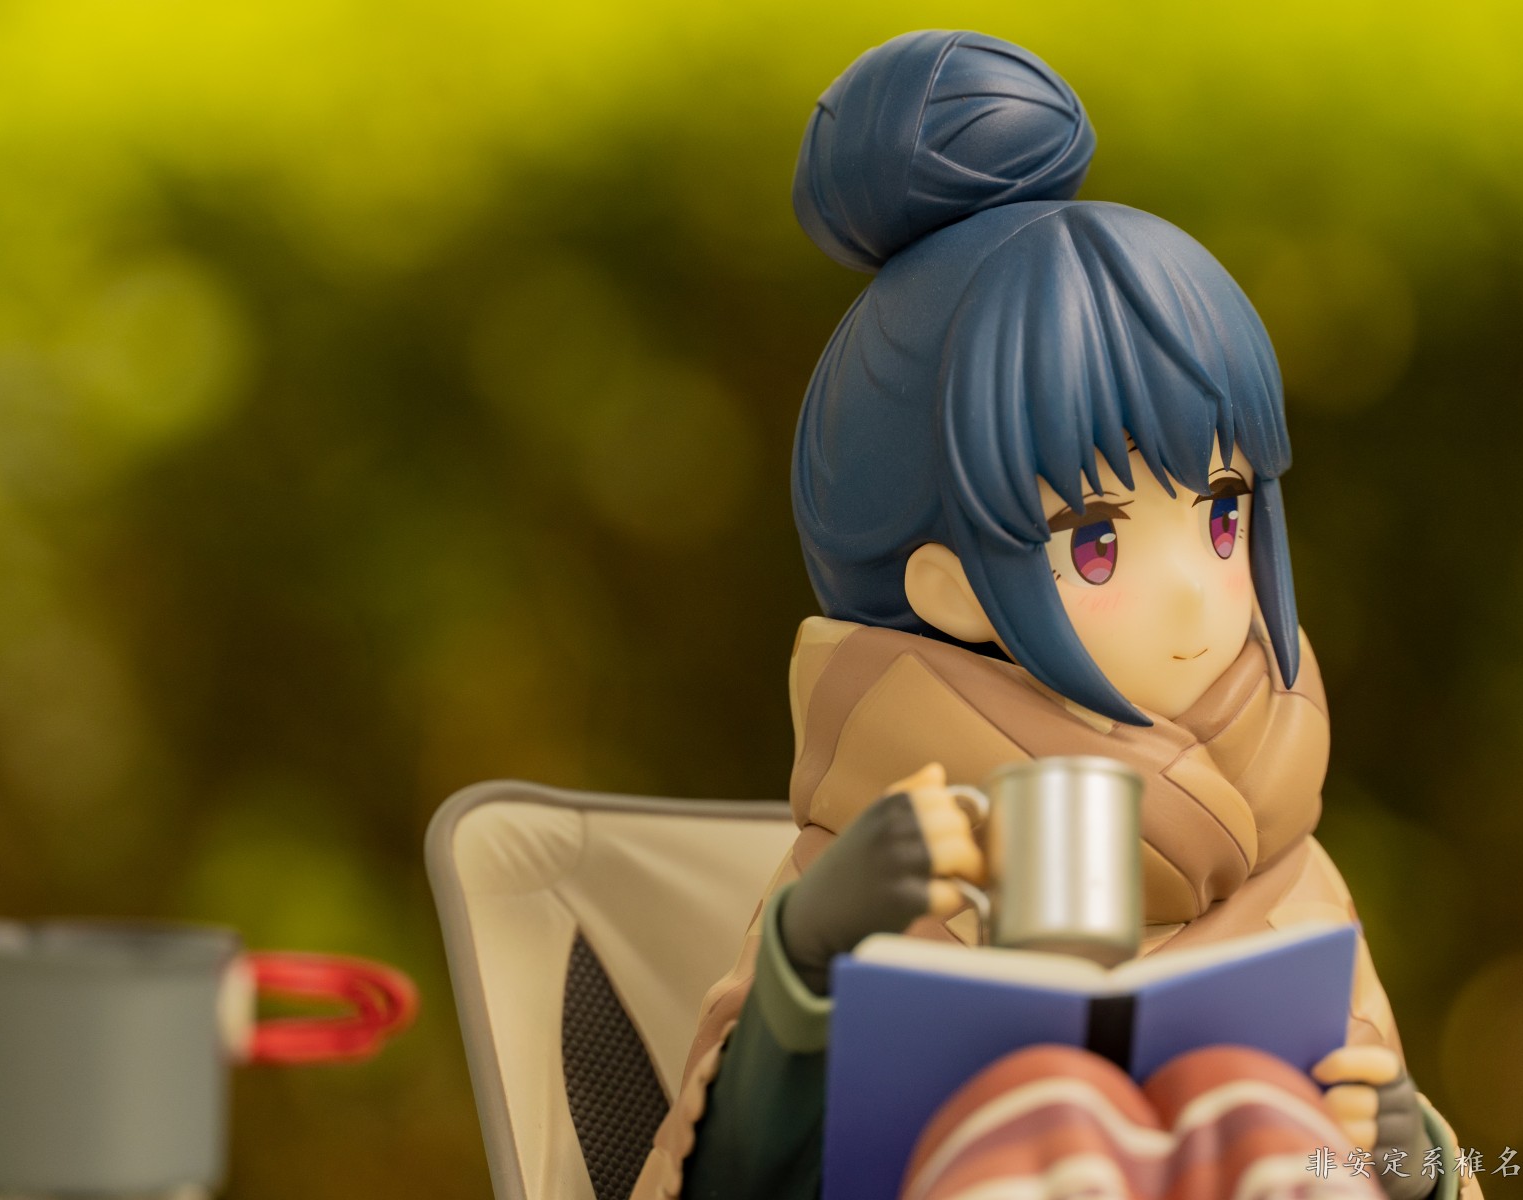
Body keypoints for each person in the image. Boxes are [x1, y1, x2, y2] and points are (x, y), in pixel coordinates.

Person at [630, 30, 1480, 1200]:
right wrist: (811, 957)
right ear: (947, 587)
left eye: (1223, 511)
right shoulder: (888, 864)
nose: (1193, 590)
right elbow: (731, 1181)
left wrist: (1408, 1156)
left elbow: (1368, 1118)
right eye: (1096, 539)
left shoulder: (1280, 847)